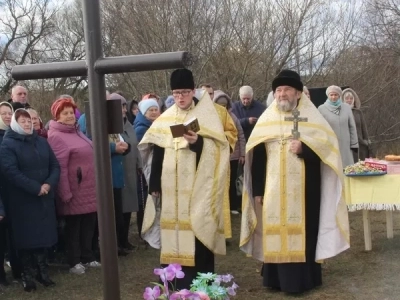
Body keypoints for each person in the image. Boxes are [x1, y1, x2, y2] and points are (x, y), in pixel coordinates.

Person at [240, 70, 350, 294]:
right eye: (278, 90)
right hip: (272, 190)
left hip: (305, 190)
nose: (282, 94)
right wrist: (258, 190)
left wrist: (305, 149)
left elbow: (328, 151)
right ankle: (275, 279)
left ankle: (302, 281)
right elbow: (258, 156)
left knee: (304, 232)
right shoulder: (267, 119)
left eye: (287, 90)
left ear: (298, 93)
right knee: (274, 230)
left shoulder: (313, 118)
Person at [138, 68, 232, 289]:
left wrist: (197, 142)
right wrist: (154, 184)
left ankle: (201, 287)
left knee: (198, 235)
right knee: (173, 237)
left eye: (185, 92)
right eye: (177, 92)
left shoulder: (206, 117)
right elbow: (157, 152)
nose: (181, 97)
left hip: (198, 190)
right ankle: (173, 287)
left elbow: (219, 150)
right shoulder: (166, 117)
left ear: (193, 92)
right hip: (171, 192)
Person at [0, 109, 60, 292]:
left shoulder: (41, 142)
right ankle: (27, 276)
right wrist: (36, 188)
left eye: (29, 121)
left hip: (44, 198)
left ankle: (43, 273)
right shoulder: (7, 145)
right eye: (23, 121)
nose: (27, 124)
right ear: (16, 124)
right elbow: (11, 172)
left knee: (43, 236)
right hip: (22, 200)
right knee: (26, 240)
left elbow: (55, 165)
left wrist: (49, 184)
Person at [47, 98, 100, 275]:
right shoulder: (56, 136)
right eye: (65, 113)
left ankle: (88, 256)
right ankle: (74, 261)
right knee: (74, 227)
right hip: (73, 189)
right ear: (57, 116)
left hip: (89, 188)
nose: (70, 116)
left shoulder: (77, 131)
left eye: (71, 112)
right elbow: (59, 167)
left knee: (89, 224)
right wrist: (65, 191)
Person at [109, 93, 140, 251]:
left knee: (128, 205)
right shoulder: (108, 124)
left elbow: (135, 145)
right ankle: (117, 242)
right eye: (119, 106)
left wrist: (139, 164)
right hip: (117, 170)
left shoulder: (128, 124)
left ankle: (124, 239)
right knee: (118, 209)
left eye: (123, 106)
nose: (123, 109)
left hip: (130, 170)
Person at [213, 90, 245, 214]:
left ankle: (232, 206)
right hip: (217, 155)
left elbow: (240, 134)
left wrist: (242, 153)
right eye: (220, 105)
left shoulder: (233, 117)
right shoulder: (211, 116)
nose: (222, 108)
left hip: (232, 155)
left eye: (224, 106)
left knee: (232, 182)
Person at [318, 85, 358, 167]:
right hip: (330, 145)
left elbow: (352, 127)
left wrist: (354, 144)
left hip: (345, 145)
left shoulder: (346, 108)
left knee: (346, 168)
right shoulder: (321, 109)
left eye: (336, 95)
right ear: (328, 95)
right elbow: (320, 128)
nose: (333, 97)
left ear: (339, 96)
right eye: (331, 95)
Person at [343, 88, 371, 161]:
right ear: (342, 99)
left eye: (351, 98)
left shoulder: (358, 112)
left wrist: (366, 141)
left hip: (360, 143)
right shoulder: (340, 113)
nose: (349, 100)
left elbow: (363, 127)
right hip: (346, 143)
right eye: (347, 98)